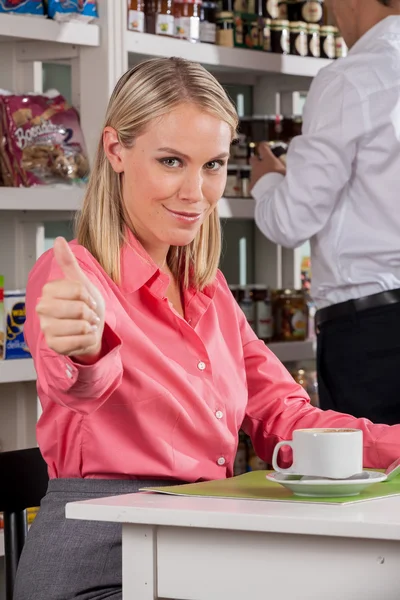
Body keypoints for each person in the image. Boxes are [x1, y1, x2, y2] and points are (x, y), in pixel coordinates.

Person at [14, 57, 400, 600]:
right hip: (99, 563)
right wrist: (83, 348)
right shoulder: (72, 274)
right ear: (115, 149)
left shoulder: (208, 288)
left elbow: (286, 417)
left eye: (213, 165)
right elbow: (78, 386)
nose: (197, 192)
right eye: (172, 161)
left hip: (196, 542)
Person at [251, 0, 400, 425]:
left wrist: (268, 179)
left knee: (373, 479)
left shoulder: (353, 78)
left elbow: (290, 220)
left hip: (373, 328)